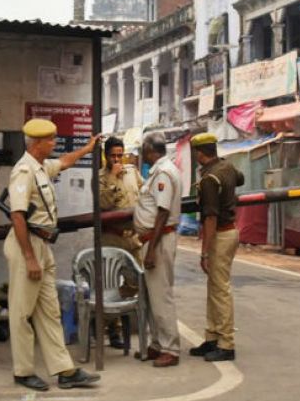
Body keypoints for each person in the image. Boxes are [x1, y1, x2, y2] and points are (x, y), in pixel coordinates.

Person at [5, 118, 101, 392]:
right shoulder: (23, 171)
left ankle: (64, 370)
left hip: (42, 246)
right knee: (22, 313)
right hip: (28, 246)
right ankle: (23, 372)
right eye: (51, 140)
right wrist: (29, 257)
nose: (55, 144)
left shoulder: (41, 167)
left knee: (50, 311)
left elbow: (66, 162)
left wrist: (88, 148)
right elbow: (17, 215)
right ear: (37, 143)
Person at [187, 132, 244, 363]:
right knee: (214, 287)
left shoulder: (210, 179)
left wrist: (204, 252)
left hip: (220, 234)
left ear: (199, 153)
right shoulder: (227, 168)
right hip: (230, 231)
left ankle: (226, 343)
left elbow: (210, 218)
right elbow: (239, 180)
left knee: (220, 290)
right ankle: (212, 336)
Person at [133, 132, 182, 368]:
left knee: (161, 296)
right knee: (152, 297)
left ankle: (170, 348)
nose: (142, 154)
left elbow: (162, 212)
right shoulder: (160, 171)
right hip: (152, 239)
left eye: (143, 150)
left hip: (158, 240)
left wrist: (151, 249)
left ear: (151, 151)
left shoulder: (163, 172)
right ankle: (157, 343)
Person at [98, 136, 143, 349]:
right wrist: (113, 178)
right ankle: (112, 330)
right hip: (111, 237)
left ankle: (103, 318)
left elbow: (143, 196)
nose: (117, 159)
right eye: (112, 155)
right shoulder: (99, 178)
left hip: (131, 236)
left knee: (136, 281)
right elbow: (104, 203)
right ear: (106, 156)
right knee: (109, 284)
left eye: (119, 155)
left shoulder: (133, 173)